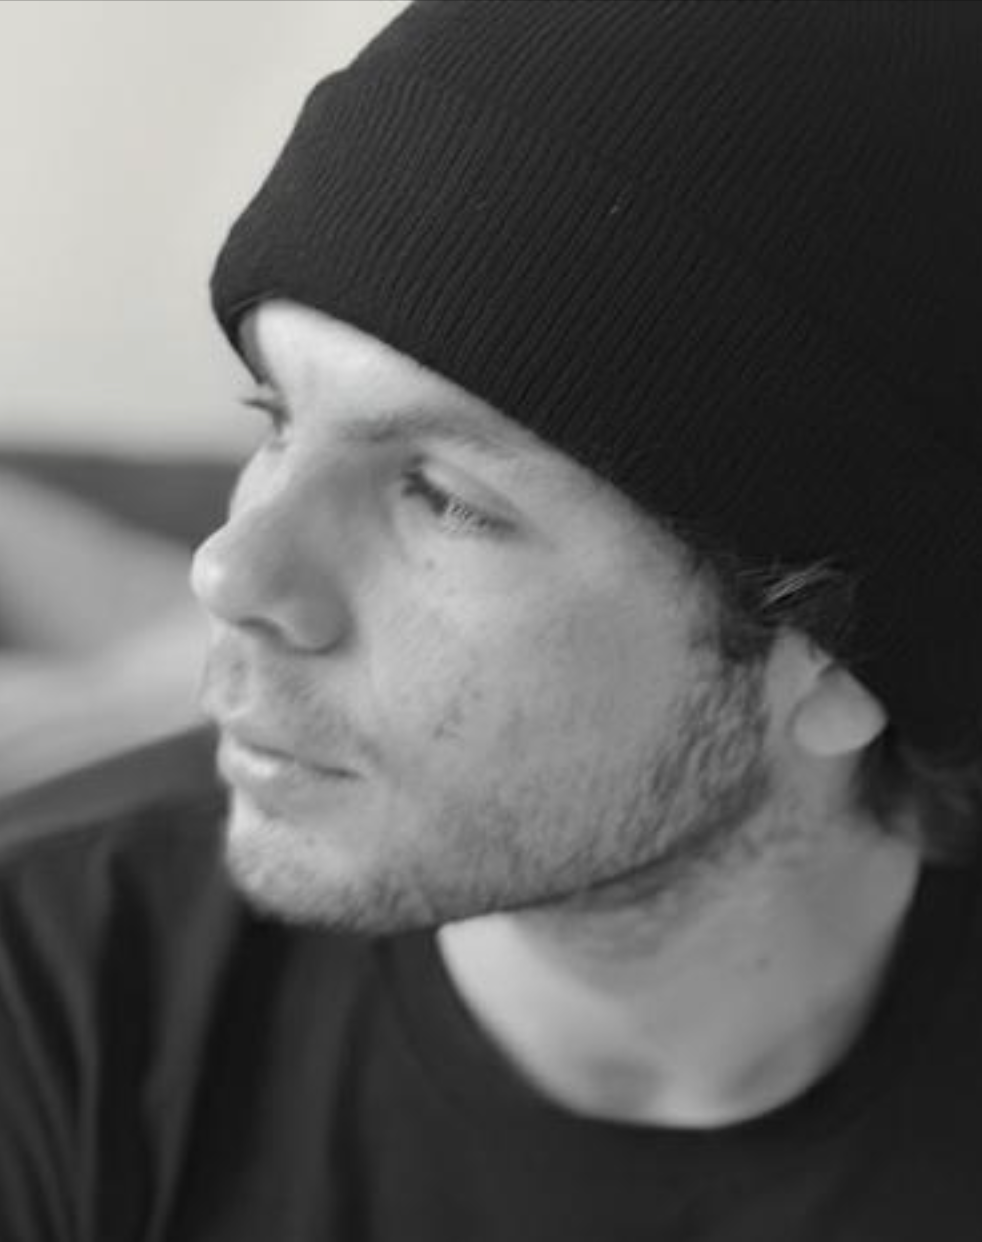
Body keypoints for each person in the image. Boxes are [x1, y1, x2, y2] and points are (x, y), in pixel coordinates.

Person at [2, 2, 982, 1237]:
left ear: (835, 664)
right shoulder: (62, 1013)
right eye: (274, 417)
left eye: (444, 496)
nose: (231, 571)